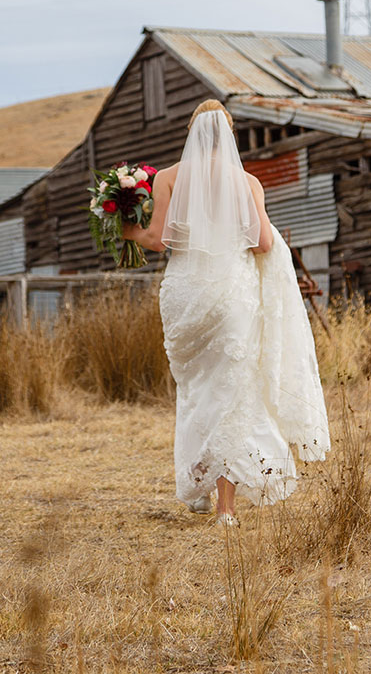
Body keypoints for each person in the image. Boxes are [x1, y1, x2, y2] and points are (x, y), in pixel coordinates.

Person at [121, 99, 331, 526]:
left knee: (197, 392)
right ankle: (225, 509)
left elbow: (158, 240)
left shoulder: (168, 178)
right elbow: (264, 243)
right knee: (231, 393)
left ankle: (198, 484)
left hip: (185, 296)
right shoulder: (247, 182)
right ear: (229, 135)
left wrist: (128, 232)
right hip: (231, 297)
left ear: (192, 132)